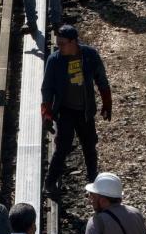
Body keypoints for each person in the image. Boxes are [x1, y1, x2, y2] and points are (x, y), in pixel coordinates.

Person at [41, 25, 111, 197]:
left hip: (85, 111)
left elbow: (101, 79)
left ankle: (93, 183)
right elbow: (47, 89)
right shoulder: (54, 60)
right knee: (62, 148)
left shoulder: (89, 55)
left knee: (89, 147)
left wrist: (107, 103)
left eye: (63, 44)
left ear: (74, 42)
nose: (59, 47)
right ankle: (49, 183)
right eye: (58, 43)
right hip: (65, 111)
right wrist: (47, 113)